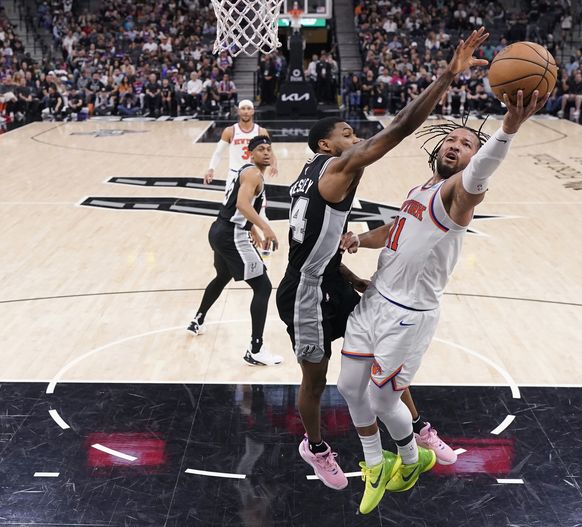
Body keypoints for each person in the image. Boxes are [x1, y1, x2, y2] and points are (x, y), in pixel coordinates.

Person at [276, 27, 490, 495]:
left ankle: (416, 430)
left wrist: (349, 268)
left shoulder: (312, 174)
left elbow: (316, 239)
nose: (356, 140)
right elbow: (400, 128)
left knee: (381, 349)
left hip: (329, 275)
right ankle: (314, 448)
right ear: (326, 147)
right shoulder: (336, 169)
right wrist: (447, 77)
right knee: (316, 378)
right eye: (347, 134)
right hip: (306, 292)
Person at [337, 88, 548, 514]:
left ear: (474, 158)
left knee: (381, 400)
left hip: (409, 314)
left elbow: (483, 169)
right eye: (452, 139)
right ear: (437, 145)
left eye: (467, 144)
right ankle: (377, 465)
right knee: (346, 387)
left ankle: (414, 460)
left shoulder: (460, 195)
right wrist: (360, 237)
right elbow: (394, 230)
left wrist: (508, 128)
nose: (456, 145)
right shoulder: (419, 188)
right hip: (374, 297)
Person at [187, 135, 283, 366]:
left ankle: (197, 320)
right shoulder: (253, 174)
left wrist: (255, 233)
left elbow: (236, 209)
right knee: (263, 287)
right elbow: (242, 205)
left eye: (269, 149)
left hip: (219, 229)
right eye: (261, 149)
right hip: (231, 235)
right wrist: (266, 227)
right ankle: (256, 349)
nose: (267, 153)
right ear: (251, 153)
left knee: (222, 276)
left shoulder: (247, 171)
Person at [203, 99, 279, 197]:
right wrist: (211, 169)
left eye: (248, 108)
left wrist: (274, 164)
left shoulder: (261, 131)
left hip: (255, 175)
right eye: (243, 108)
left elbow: (270, 152)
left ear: (253, 111)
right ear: (238, 111)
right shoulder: (230, 131)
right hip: (234, 175)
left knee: (259, 210)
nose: (246, 111)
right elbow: (218, 152)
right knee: (230, 210)